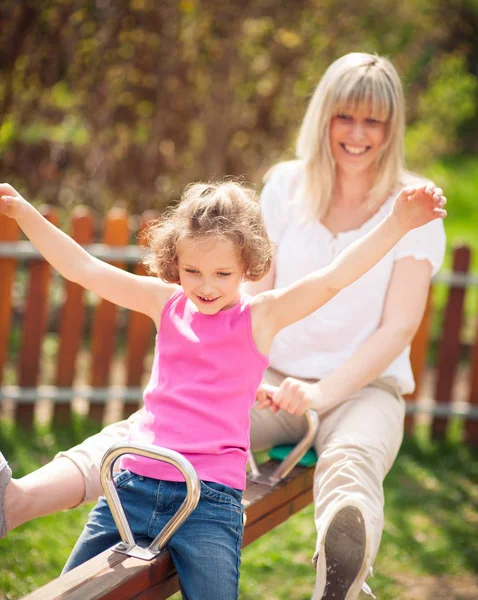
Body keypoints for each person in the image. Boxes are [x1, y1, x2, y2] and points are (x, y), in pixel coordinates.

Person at [0, 52, 447, 600]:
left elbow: (336, 278)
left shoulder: (261, 315)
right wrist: (26, 216)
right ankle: (15, 498)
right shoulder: (166, 301)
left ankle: (343, 565)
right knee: (74, 590)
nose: (206, 285)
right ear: (172, 265)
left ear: (249, 269)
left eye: (222, 273)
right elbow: (84, 268)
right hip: (136, 479)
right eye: (192, 271)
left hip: (211, 498)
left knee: (342, 467)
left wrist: (396, 223)